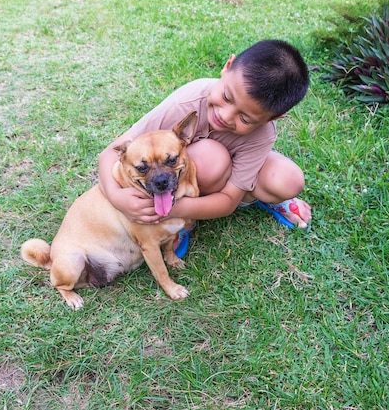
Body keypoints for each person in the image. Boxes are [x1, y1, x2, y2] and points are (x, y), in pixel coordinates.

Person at [98, 39, 312, 257]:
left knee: (288, 179)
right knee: (211, 157)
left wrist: (167, 209)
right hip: (204, 168)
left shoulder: (264, 133)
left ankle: (248, 201)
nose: (225, 116)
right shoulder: (187, 101)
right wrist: (117, 198)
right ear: (228, 67)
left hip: (220, 179)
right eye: (227, 97)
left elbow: (228, 201)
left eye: (245, 119)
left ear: (273, 118)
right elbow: (109, 153)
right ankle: (184, 222)